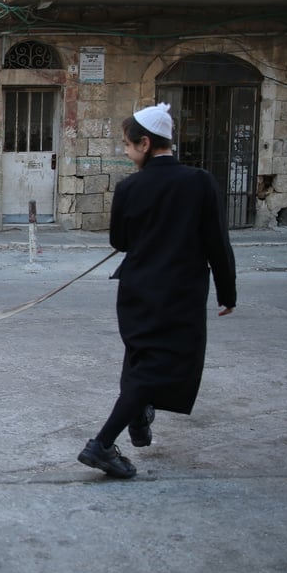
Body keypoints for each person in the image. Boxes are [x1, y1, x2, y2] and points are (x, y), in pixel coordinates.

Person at [78, 103, 236, 479]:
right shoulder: (200, 182)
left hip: (135, 291)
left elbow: (120, 240)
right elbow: (218, 242)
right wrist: (227, 292)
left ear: (145, 143)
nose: (127, 151)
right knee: (155, 368)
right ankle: (101, 444)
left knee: (139, 359)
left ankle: (138, 414)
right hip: (179, 294)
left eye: (128, 145)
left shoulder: (130, 186)